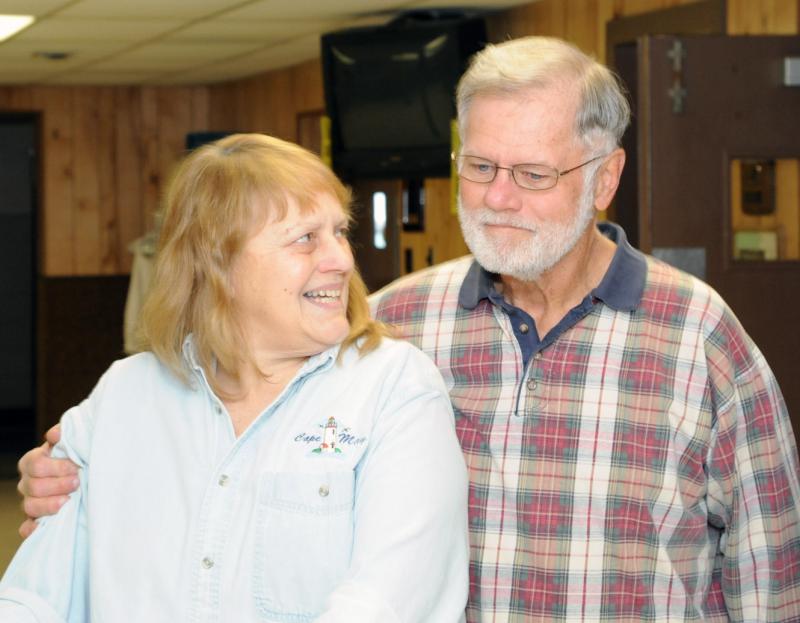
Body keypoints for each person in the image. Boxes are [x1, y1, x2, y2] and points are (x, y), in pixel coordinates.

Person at [16, 36, 800, 622]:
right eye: (479, 166)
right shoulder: (390, 325)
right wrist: (77, 467)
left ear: (606, 178)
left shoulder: (698, 335)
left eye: (532, 174)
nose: (497, 199)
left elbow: (771, 569)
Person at [2, 133, 469, 622]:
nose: (343, 260)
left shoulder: (391, 387)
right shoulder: (123, 394)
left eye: (340, 231)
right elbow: (35, 597)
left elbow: (389, 601)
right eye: (306, 238)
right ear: (218, 261)